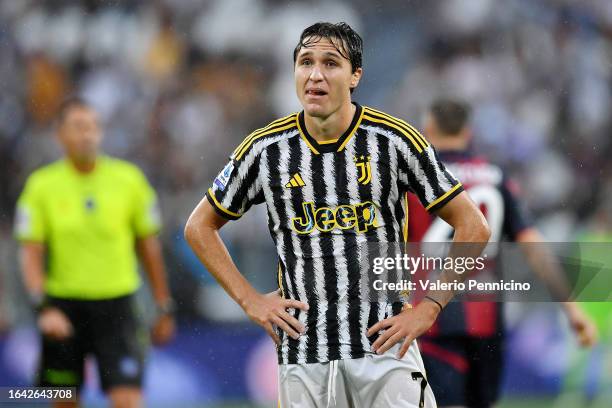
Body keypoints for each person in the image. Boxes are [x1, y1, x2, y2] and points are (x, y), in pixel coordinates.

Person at [185, 22, 490, 407]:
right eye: (305, 62)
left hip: (385, 351)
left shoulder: (394, 141)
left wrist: (430, 307)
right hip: (305, 355)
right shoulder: (265, 150)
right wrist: (249, 300)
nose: (315, 74)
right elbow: (199, 226)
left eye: (331, 63)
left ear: (355, 76)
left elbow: (474, 226)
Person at [407, 99, 597, 408]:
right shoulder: (496, 178)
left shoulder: (413, 179)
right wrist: (572, 309)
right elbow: (533, 246)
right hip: (487, 319)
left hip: (432, 318)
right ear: (468, 131)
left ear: (428, 129)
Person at [14, 97, 175, 408]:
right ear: (60, 134)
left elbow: (149, 248)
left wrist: (163, 304)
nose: (87, 134)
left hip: (118, 307)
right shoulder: (41, 186)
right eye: (78, 127)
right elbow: (30, 253)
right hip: (64, 307)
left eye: (93, 127)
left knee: (127, 400)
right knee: (64, 401)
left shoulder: (130, 181)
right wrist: (43, 307)